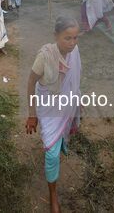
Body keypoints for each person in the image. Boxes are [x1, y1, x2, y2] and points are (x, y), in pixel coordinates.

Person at [26, 16, 81, 213]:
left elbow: (75, 80)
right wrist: (32, 115)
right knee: (51, 153)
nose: (73, 43)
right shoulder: (45, 56)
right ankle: (53, 194)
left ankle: (60, 143)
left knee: (57, 144)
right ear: (56, 36)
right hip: (48, 109)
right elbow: (31, 82)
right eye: (67, 38)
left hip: (66, 105)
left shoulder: (75, 53)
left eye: (75, 38)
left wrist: (76, 101)